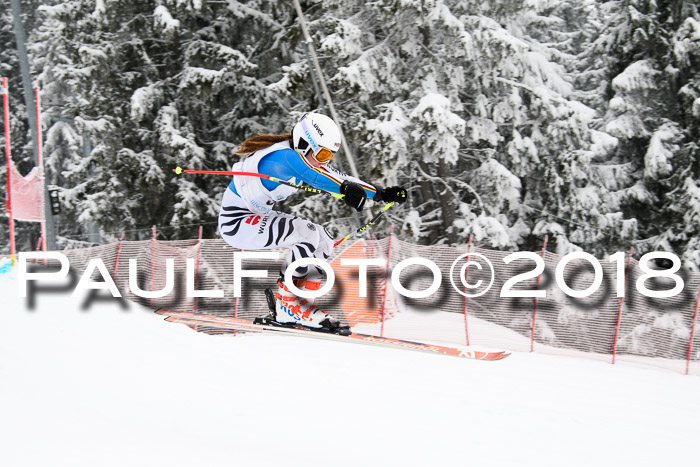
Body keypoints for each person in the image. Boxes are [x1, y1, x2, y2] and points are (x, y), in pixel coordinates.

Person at [218, 112, 407, 332]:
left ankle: (300, 302)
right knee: (306, 235)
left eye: (329, 155)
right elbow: (318, 178)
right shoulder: (284, 159)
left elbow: (337, 177)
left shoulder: (302, 155)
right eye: (323, 153)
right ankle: (287, 303)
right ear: (303, 142)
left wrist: (380, 194)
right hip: (237, 223)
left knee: (323, 239)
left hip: (256, 216)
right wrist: (344, 190)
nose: (324, 160)